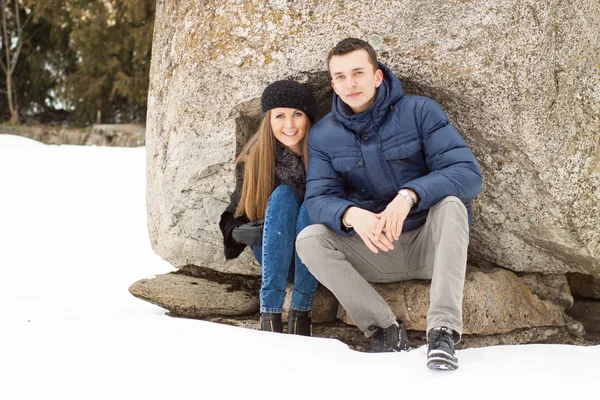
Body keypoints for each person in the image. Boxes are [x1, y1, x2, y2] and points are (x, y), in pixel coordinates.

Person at [296, 38, 482, 370]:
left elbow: (468, 174)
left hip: (431, 247)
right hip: (374, 250)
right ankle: (384, 330)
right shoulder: (323, 135)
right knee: (309, 239)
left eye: (358, 72)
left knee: (452, 204)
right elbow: (317, 199)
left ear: (377, 76)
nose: (350, 83)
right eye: (340, 76)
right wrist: (351, 215)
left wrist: (409, 195)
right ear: (333, 84)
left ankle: (442, 333)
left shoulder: (421, 111)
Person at [219, 80, 319, 336]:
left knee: (311, 207)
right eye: (280, 116)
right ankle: (269, 313)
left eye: (297, 114)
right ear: (269, 119)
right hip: (274, 253)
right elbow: (233, 218)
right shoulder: (256, 159)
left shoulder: (324, 155)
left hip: (316, 256)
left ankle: (301, 311)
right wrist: (248, 231)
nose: (289, 124)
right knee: (284, 195)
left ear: (307, 119)